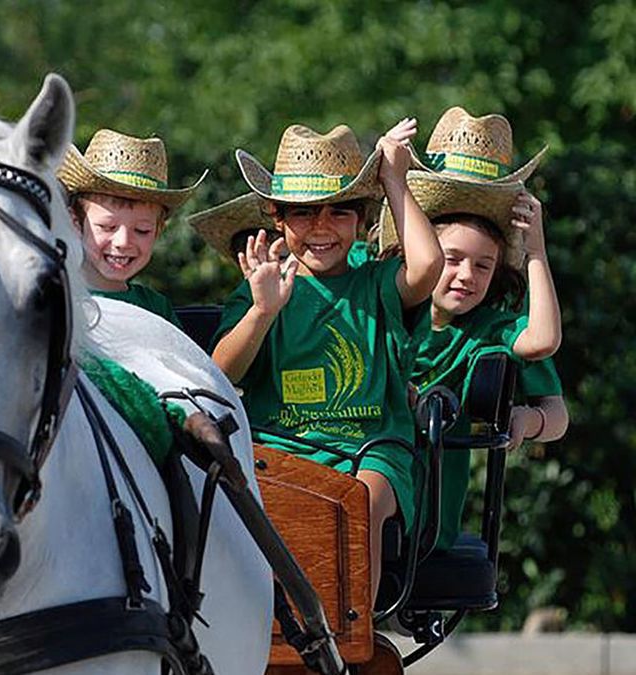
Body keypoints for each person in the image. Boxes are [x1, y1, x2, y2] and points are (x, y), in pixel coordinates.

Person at [208, 119, 442, 599]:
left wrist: (393, 179)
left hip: (368, 448)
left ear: (361, 218)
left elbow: (428, 268)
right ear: (277, 217)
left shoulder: (375, 282)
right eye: (304, 213)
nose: (321, 227)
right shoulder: (264, 285)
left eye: (339, 212)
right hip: (280, 449)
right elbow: (220, 373)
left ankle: (352, 637)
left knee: (360, 499)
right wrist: (261, 310)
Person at [377, 106, 567, 550]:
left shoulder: (490, 329)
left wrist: (535, 249)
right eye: (450, 259)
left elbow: (543, 346)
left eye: (483, 266)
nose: (466, 275)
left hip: (428, 521)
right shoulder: (381, 304)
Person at [58, 129, 205, 327]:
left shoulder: (156, 308)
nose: (123, 242)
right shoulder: (57, 299)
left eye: (142, 230)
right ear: (75, 222)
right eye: (108, 227)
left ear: (157, 231)